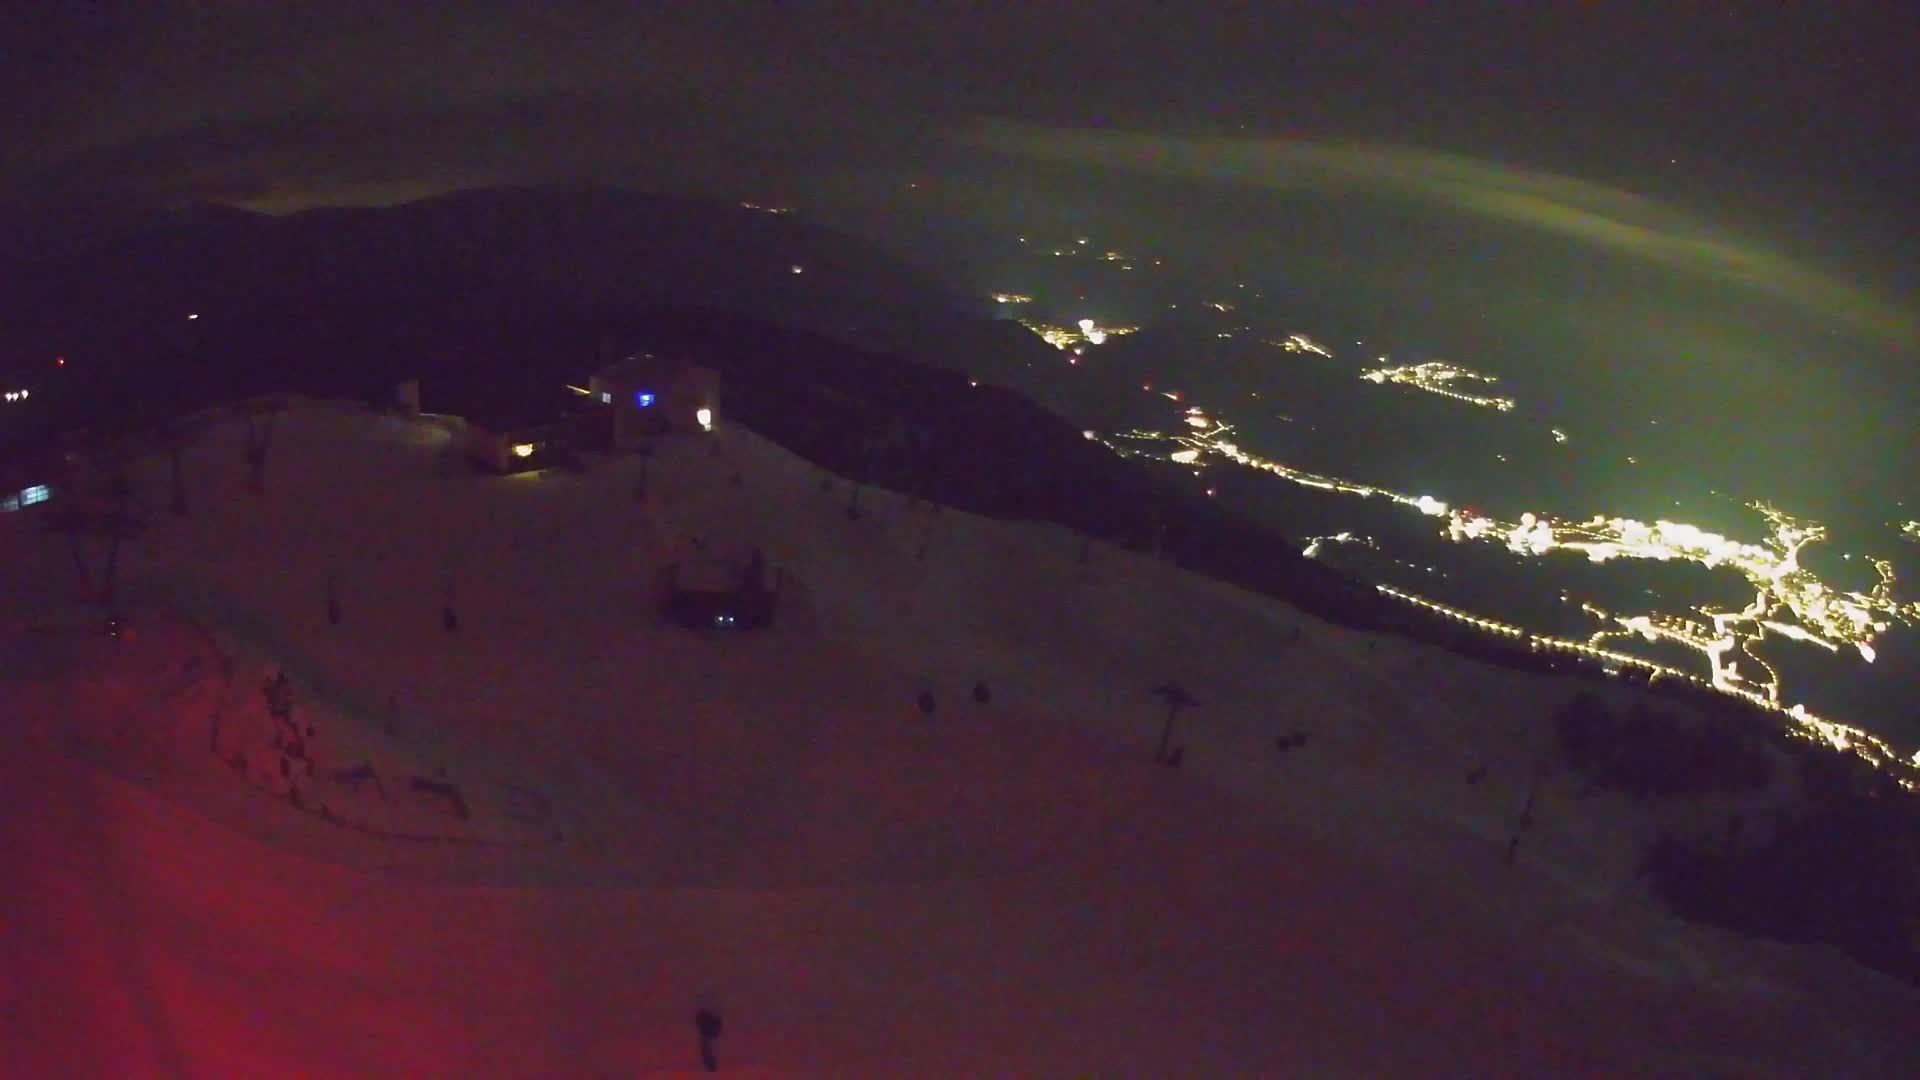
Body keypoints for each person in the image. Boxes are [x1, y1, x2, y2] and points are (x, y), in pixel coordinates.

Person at [695, 1008, 723, 1072]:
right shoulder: (708, 1055)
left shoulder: (707, 1055)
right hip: (708, 1029)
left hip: (708, 1029)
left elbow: (704, 1043)